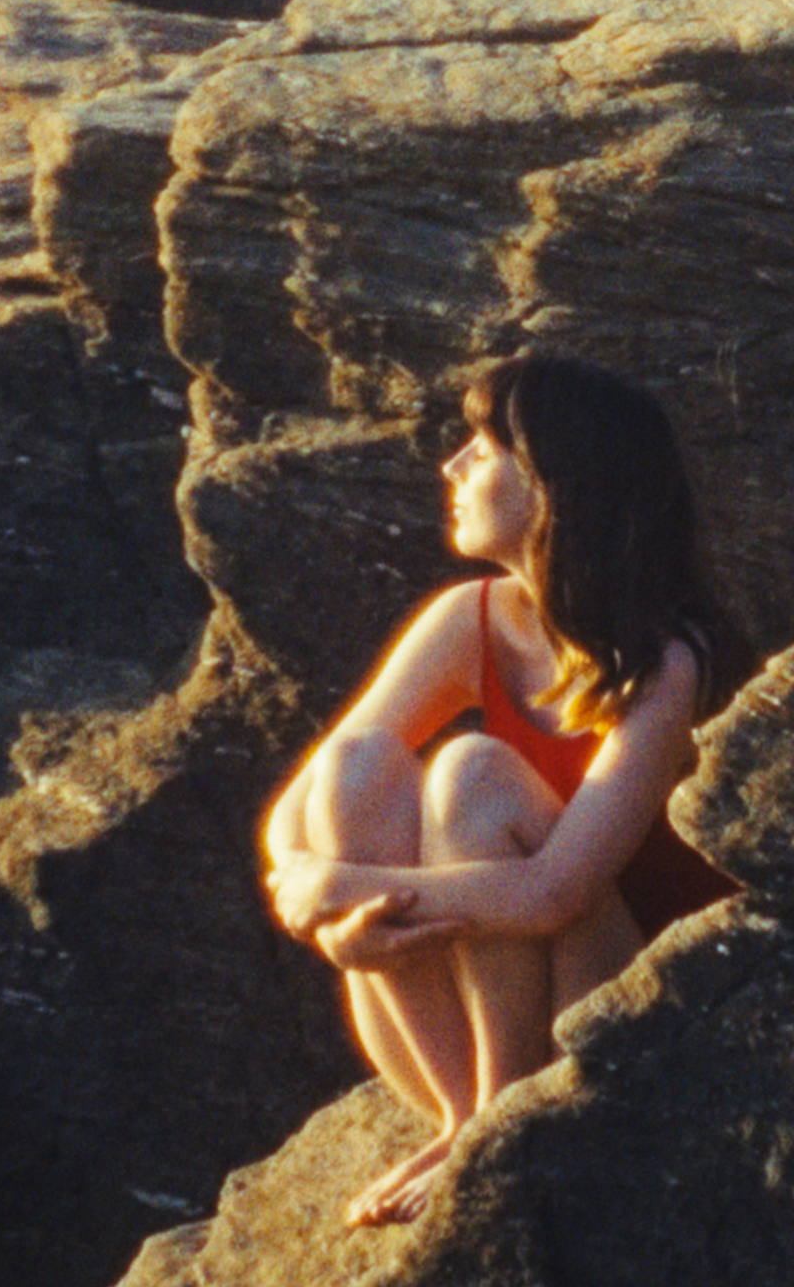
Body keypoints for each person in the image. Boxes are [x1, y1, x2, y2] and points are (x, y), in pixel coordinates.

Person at [260, 352, 754, 1227]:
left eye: (483, 448)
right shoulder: (472, 618)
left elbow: (552, 891)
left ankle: (496, 1122)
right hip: (458, 1041)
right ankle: (465, 1118)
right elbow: (302, 805)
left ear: (559, 485)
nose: (450, 466)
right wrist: (322, 911)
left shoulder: (668, 662)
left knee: (470, 773)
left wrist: (342, 891)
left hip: (627, 1022)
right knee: (358, 764)